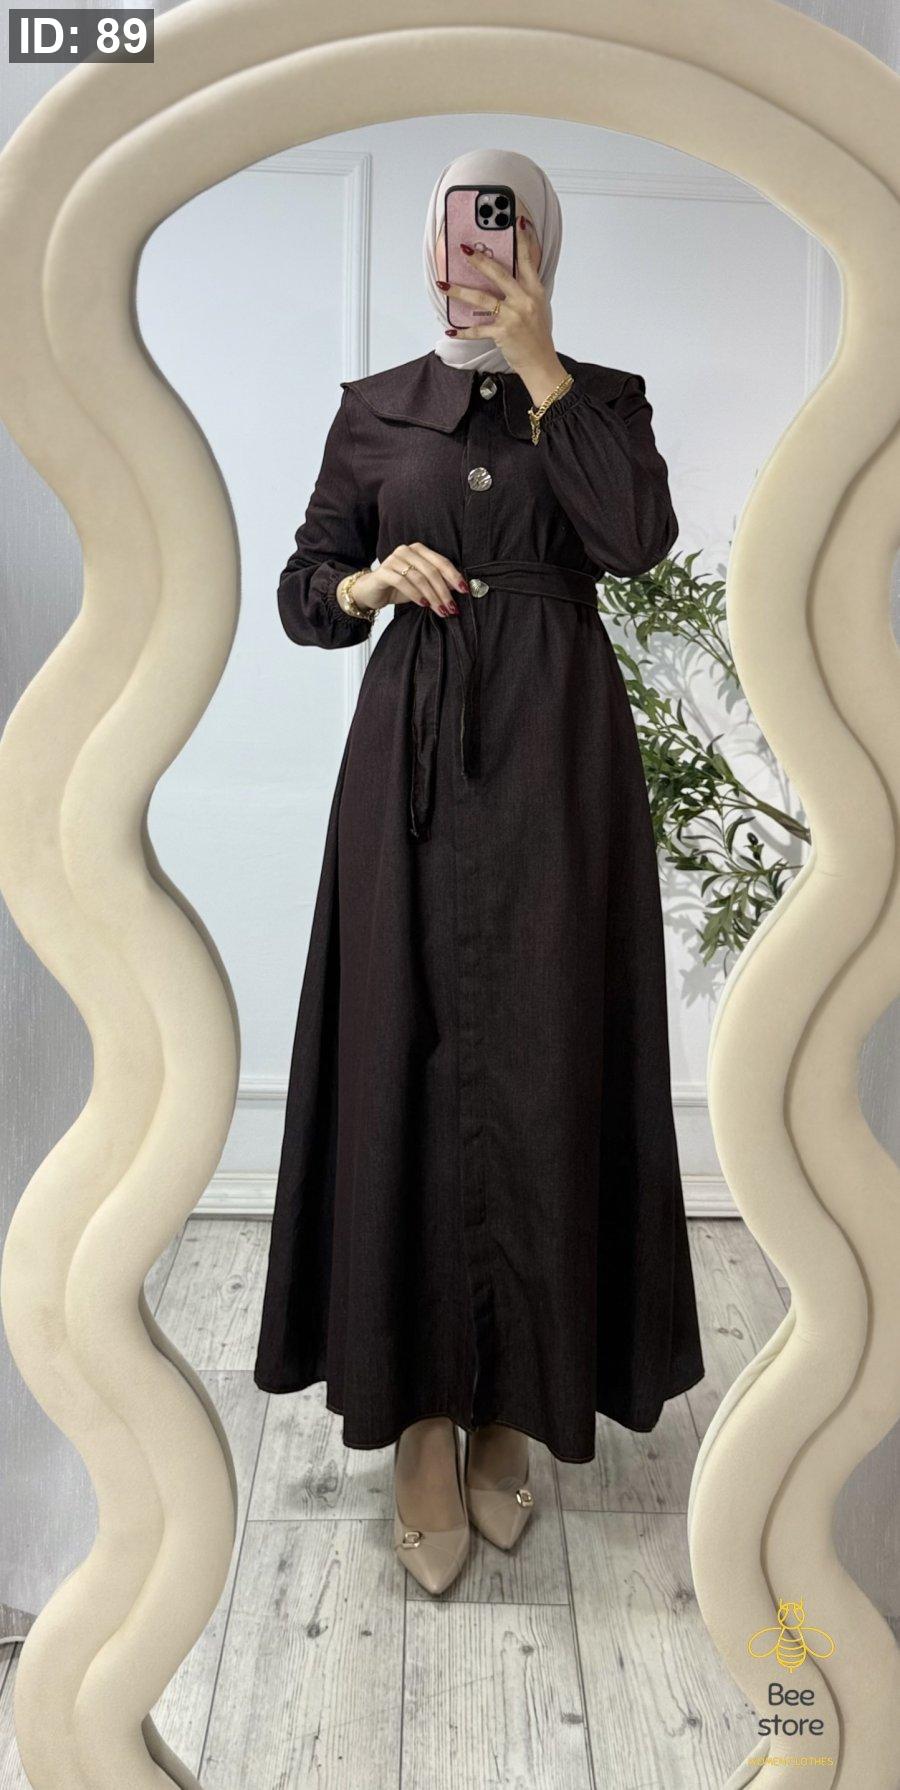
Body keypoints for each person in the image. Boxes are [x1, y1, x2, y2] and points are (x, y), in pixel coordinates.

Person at [253, 146, 705, 1595]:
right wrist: (370, 581)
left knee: (548, 1058)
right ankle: (415, 1421)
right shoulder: (376, 408)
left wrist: (545, 365)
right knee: (405, 1053)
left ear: (541, 249)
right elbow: (303, 586)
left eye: (505, 235)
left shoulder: (604, 400)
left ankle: (517, 1397)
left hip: (562, 765)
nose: (475, 258)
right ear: (430, 245)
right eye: (460, 233)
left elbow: (635, 541)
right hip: (413, 762)